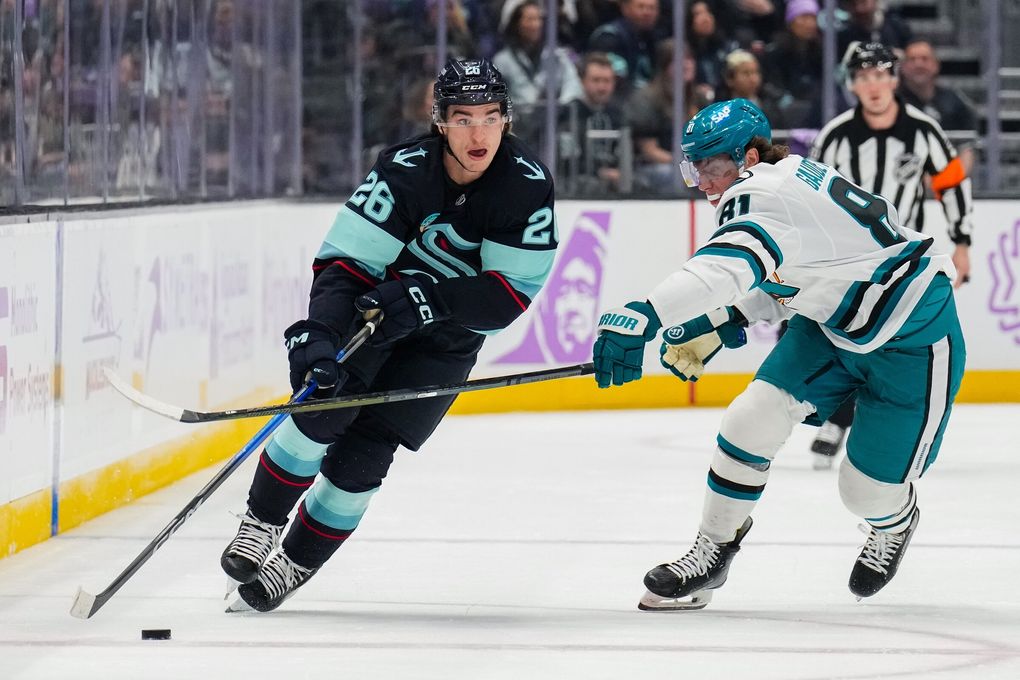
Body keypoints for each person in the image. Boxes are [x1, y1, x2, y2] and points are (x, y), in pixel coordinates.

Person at [591, 98, 965, 610]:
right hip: (834, 323)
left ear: (747, 156)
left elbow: (726, 266)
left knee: (864, 493)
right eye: (693, 168)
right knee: (750, 418)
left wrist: (646, 313)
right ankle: (713, 550)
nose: (702, 182)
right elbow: (805, 274)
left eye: (711, 166)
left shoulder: (759, 192)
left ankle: (896, 521)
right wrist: (728, 318)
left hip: (913, 334)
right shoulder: (785, 179)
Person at [221, 58, 558, 613]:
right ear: (440, 121)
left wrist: (433, 300)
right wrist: (321, 332)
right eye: (464, 118)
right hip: (375, 315)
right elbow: (346, 265)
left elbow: (508, 295)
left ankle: (297, 561)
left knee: (366, 455)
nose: (479, 133)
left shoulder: (526, 185)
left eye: (491, 117)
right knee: (320, 408)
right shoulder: (404, 170)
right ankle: (261, 522)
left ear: (507, 119)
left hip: (447, 339)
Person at [807, 41, 972, 465]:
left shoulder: (923, 130)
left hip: (903, 261)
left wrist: (962, 242)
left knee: (888, 342)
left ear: (894, 80)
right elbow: (808, 197)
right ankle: (838, 416)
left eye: (880, 75)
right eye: (864, 77)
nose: (873, 86)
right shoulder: (836, 136)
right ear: (852, 84)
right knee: (839, 334)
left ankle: (854, 423)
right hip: (846, 258)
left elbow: (952, 183)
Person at [897, 39, 978, 175]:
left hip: (949, 174)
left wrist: (952, 180)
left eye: (925, 59)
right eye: (912, 59)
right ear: (903, 67)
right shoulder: (893, 103)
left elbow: (967, 146)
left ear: (936, 65)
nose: (918, 64)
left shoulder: (954, 101)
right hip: (903, 175)